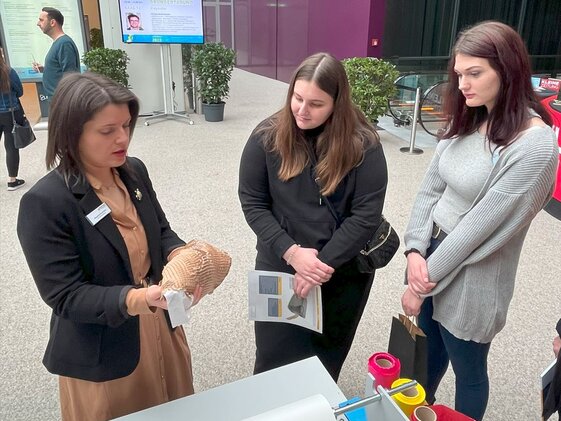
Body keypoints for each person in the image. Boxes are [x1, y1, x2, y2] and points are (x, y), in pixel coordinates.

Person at [17, 72, 203, 421]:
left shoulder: (132, 171)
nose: (123, 138)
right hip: (103, 348)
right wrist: (137, 299)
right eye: (107, 131)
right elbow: (66, 296)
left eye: (127, 125)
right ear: (72, 133)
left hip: (160, 326)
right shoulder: (47, 202)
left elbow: (160, 231)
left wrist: (183, 257)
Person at [401, 21, 558, 420]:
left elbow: (477, 229)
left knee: (467, 369)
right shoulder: (472, 116)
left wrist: (422, 281)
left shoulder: (535, 144)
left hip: (475, 275)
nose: (463, 84)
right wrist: (415, 249)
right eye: (459, 74)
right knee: (426, 356)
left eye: (475, 74)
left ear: (507, 71)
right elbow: (430, 188)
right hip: (433, 255)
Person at [238, 52, 388, 381]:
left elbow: (365, 216)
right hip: (280, 265)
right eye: (298, 98)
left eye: (316, 104)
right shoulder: (266, 136)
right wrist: (292, 253)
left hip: (342, 271)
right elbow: (252, 201)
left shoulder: (364, 145)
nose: (302, 111)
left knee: (324, 361)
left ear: (338, 102)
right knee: (272, 360)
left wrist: (318, 267)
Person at [33, 7, 80, 99]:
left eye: (41, 20)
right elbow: (61, 69)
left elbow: (70, 75)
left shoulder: (64, 43)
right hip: (57, 100)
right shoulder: (59, 43)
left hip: (62, 102)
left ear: (52, 23)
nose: (38, 24)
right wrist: (45, 69)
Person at [0, 50, 25, 190]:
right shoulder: (9, 72)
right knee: (11, 147)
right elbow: (20, 92)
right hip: (10, 113)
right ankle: (12, 180)